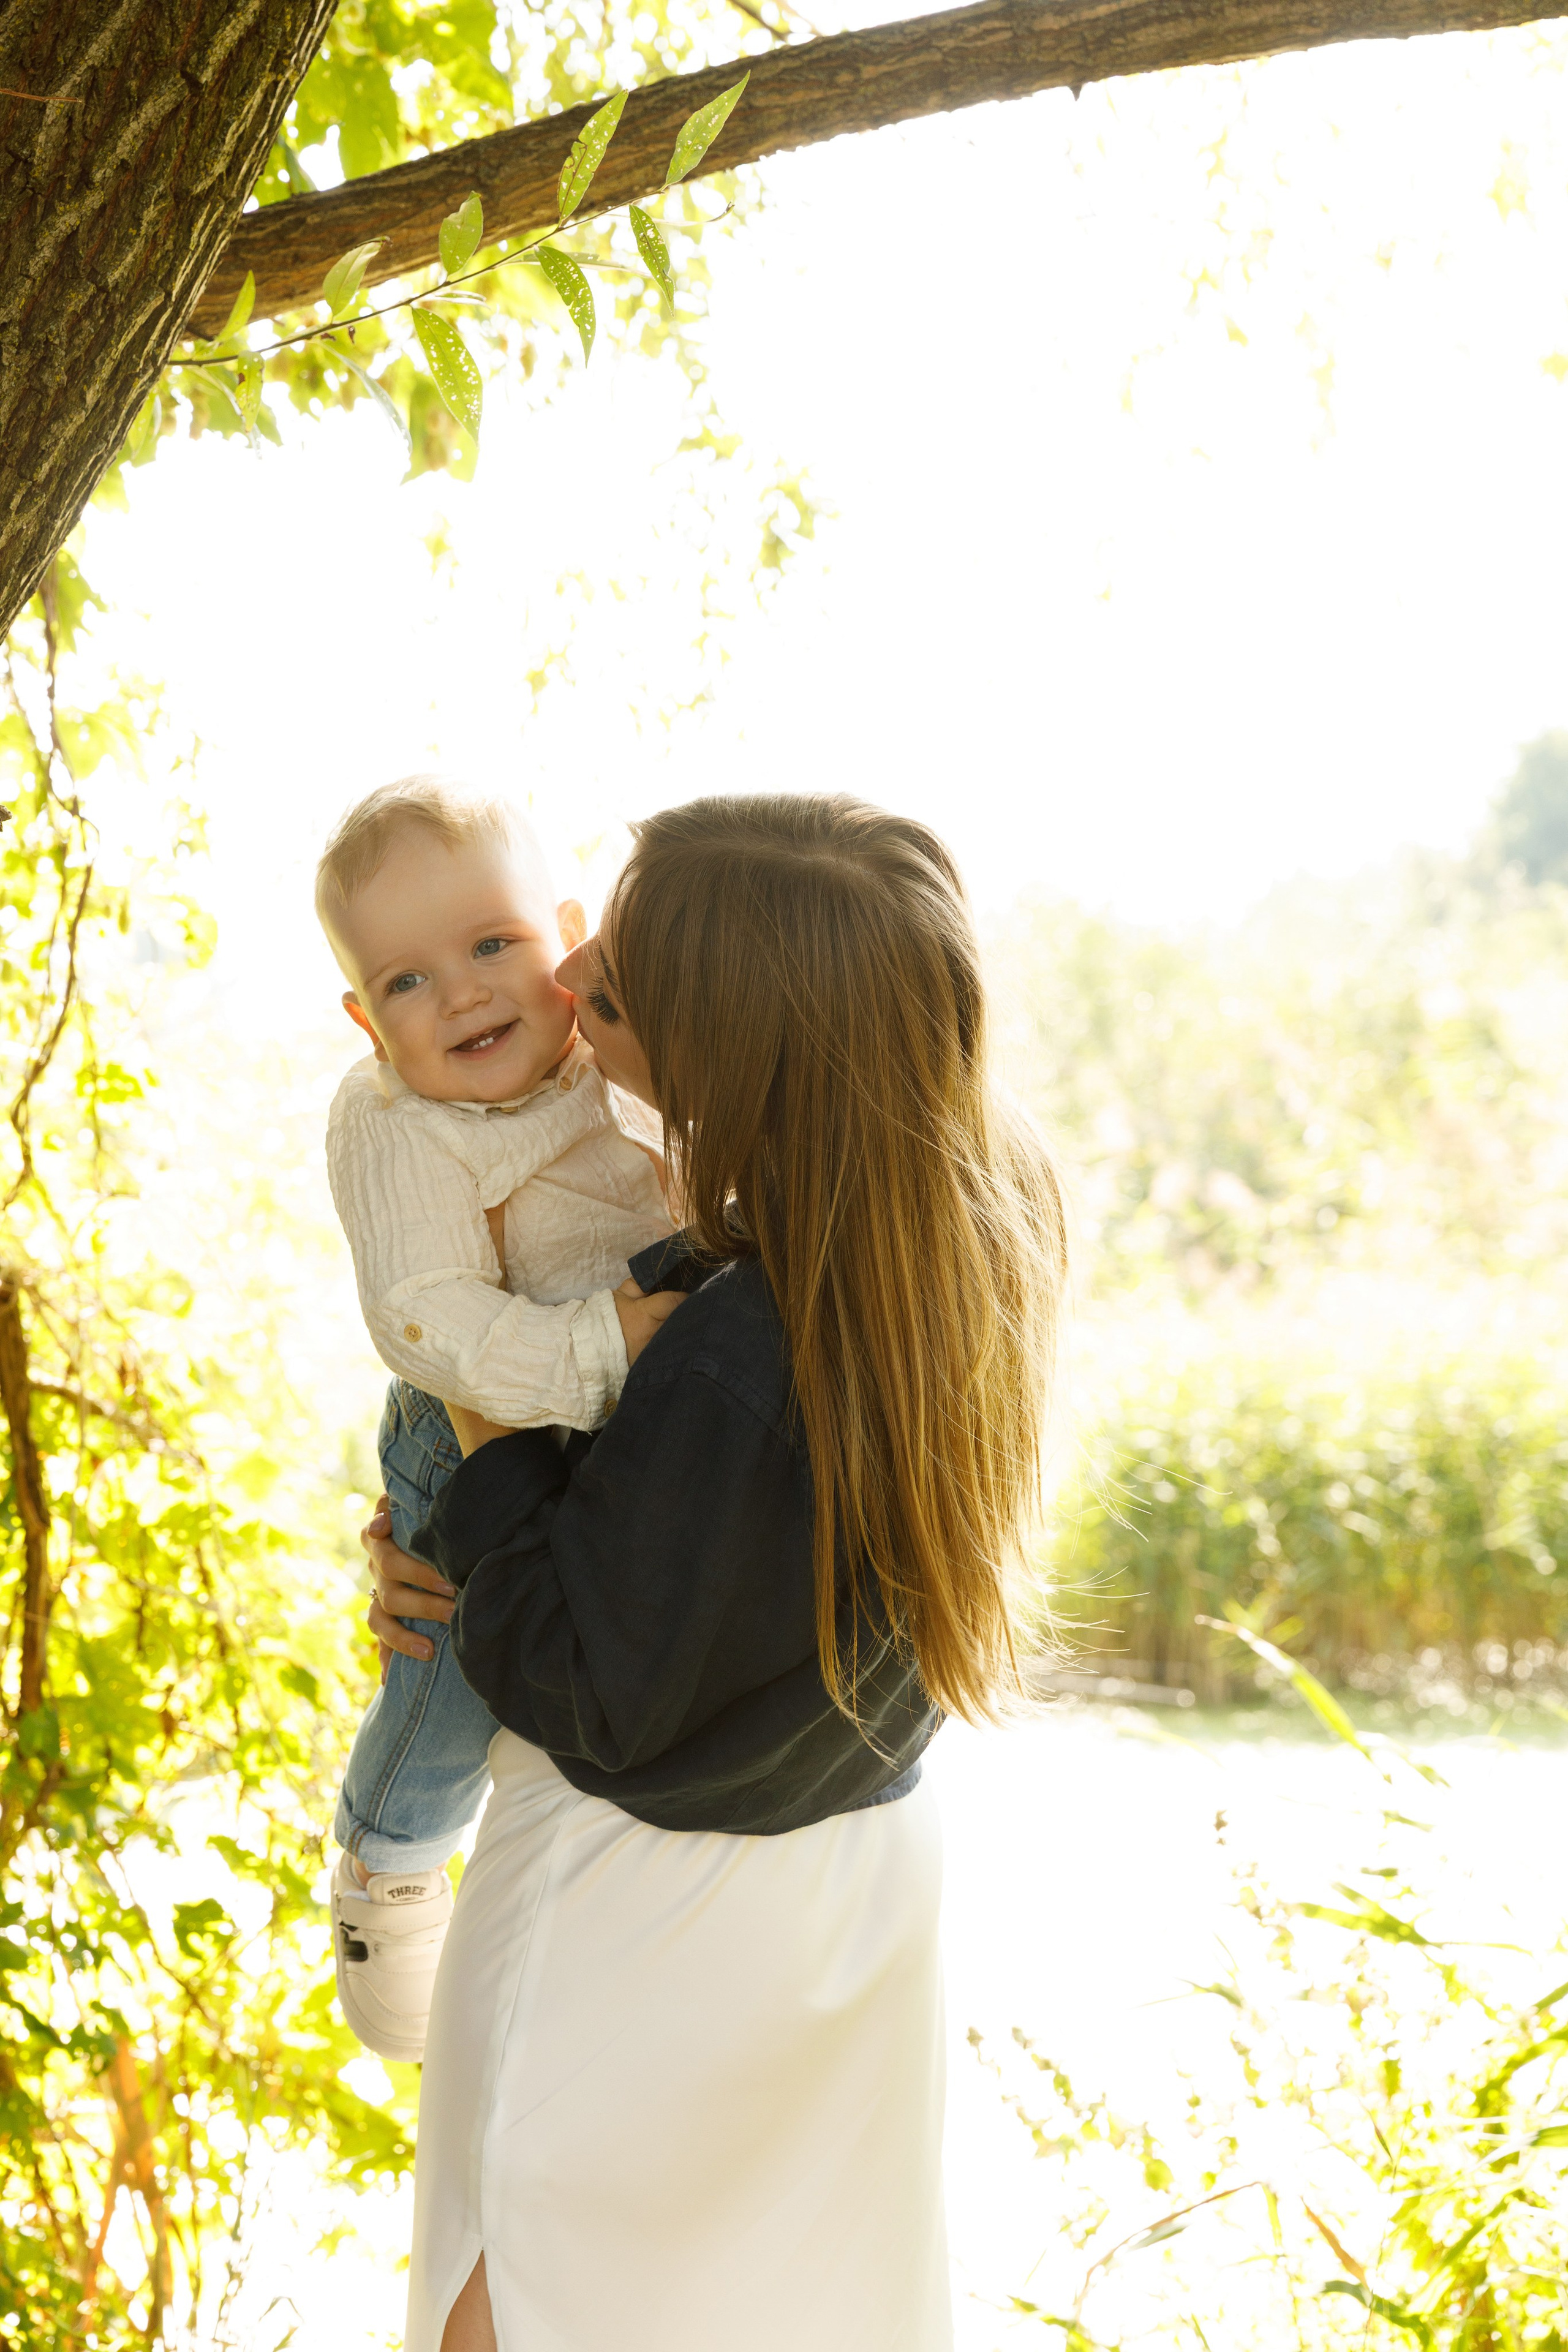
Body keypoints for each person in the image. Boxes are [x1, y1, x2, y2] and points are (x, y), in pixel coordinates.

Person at [360, 793, 1068, 2352]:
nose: (567, 971)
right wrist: (456, 1536)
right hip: (848, 1905)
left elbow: (584, 1674)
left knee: (525, 2299)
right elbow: (704, 1559)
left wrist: (481, 1441)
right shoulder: (969, 1218)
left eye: (606, 991)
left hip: (639, 1901)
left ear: (731, 1056)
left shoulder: (750, 1348)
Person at [315, 776, 676, 2060]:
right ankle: (390, 1865)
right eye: (405, 982)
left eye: (492, 945)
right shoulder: (395, 1120)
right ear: (367, 1023)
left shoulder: (622, 1058)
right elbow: (423, 1316)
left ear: (568, 940)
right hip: (485, 1405)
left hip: (607, 1406)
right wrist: (593, 1354)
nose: (461, 993)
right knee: (448, 1669)